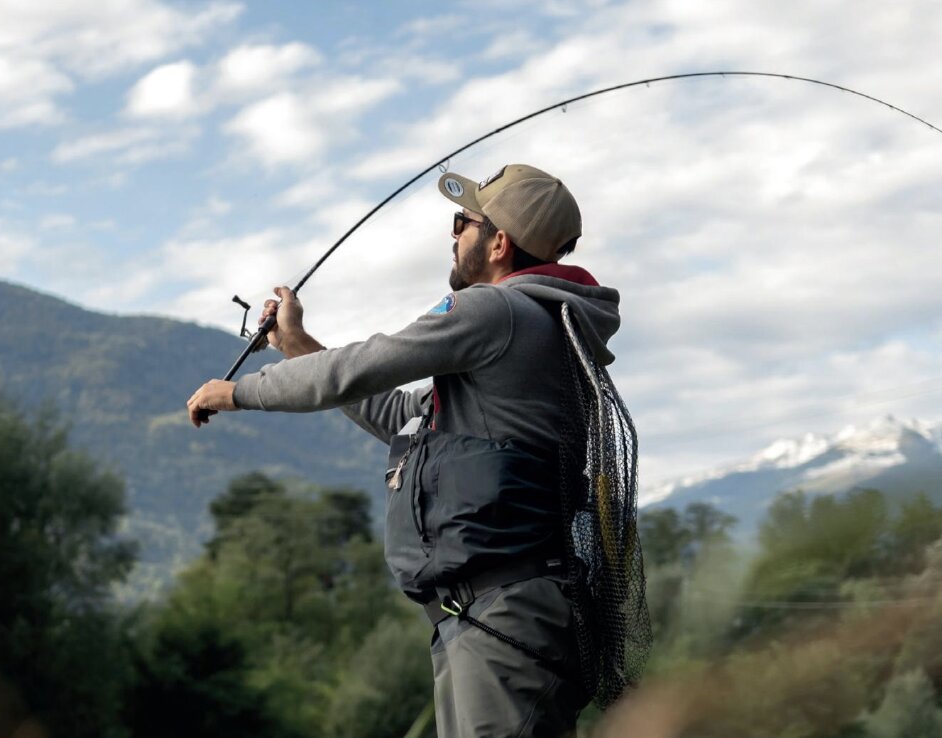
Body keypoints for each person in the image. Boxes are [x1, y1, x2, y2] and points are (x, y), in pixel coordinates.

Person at [187, 164, 626, 737]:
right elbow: (402, 415)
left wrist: (241, 391)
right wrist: (296, 346)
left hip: (503, 612)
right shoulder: (539, 327)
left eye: (462, 222)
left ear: (498, 243)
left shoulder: (494, 312)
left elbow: (362, 366)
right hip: (494, 614)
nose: (453, 235)